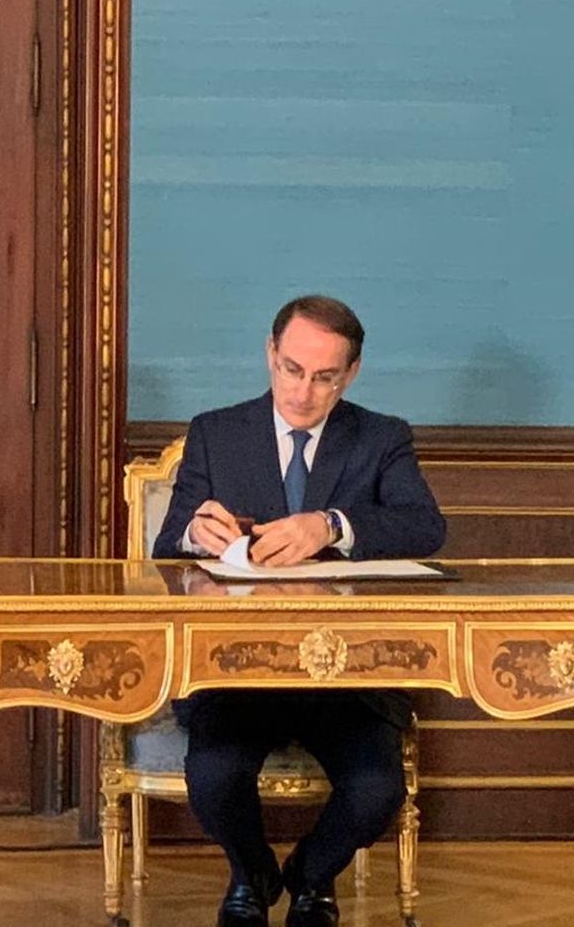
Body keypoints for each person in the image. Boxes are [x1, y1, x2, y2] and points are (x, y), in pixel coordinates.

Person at [153, 295, 446, 927]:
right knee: (213, 778)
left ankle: (311, 877)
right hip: (238, 670)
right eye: (291, 369)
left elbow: (425, 526)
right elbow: (166, 546)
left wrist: (331, 524)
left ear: (352, 373)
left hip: (346, 674)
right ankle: (252, 873)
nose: (303, 392)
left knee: (378, 789)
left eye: (323, 377)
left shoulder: (380, 437)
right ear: (270, 354)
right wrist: (194, 534)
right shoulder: (216, 432)